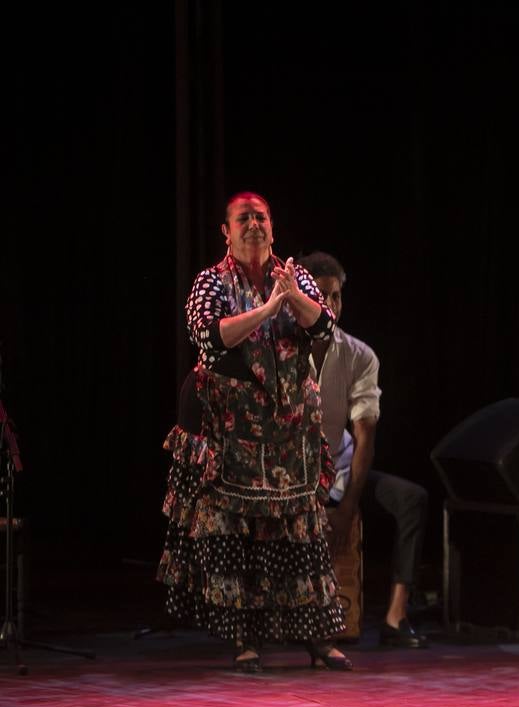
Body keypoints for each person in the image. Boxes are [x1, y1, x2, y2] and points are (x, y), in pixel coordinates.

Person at [158, 192, 351, 672]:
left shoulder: (294, 276)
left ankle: (317, 639)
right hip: (233, 428)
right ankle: (244, 640)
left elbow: (324, 327)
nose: (253, 225)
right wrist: (266, 311)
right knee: (235, 533)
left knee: (299, 533)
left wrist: (293, 297)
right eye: (242, 218)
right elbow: (209, 335)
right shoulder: (211, 282)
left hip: (288, 431)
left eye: (260, 217)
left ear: (273, 227)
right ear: (226, 231)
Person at [297, 252, 430, 648]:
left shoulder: (358, 355)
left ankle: (395, 616)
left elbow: (365, 437)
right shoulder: (281, 350)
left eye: (337, 297)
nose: (331, 305)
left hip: (340, 472)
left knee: (411, 499)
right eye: (321, 295)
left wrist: (348, 507)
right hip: (293, 478)